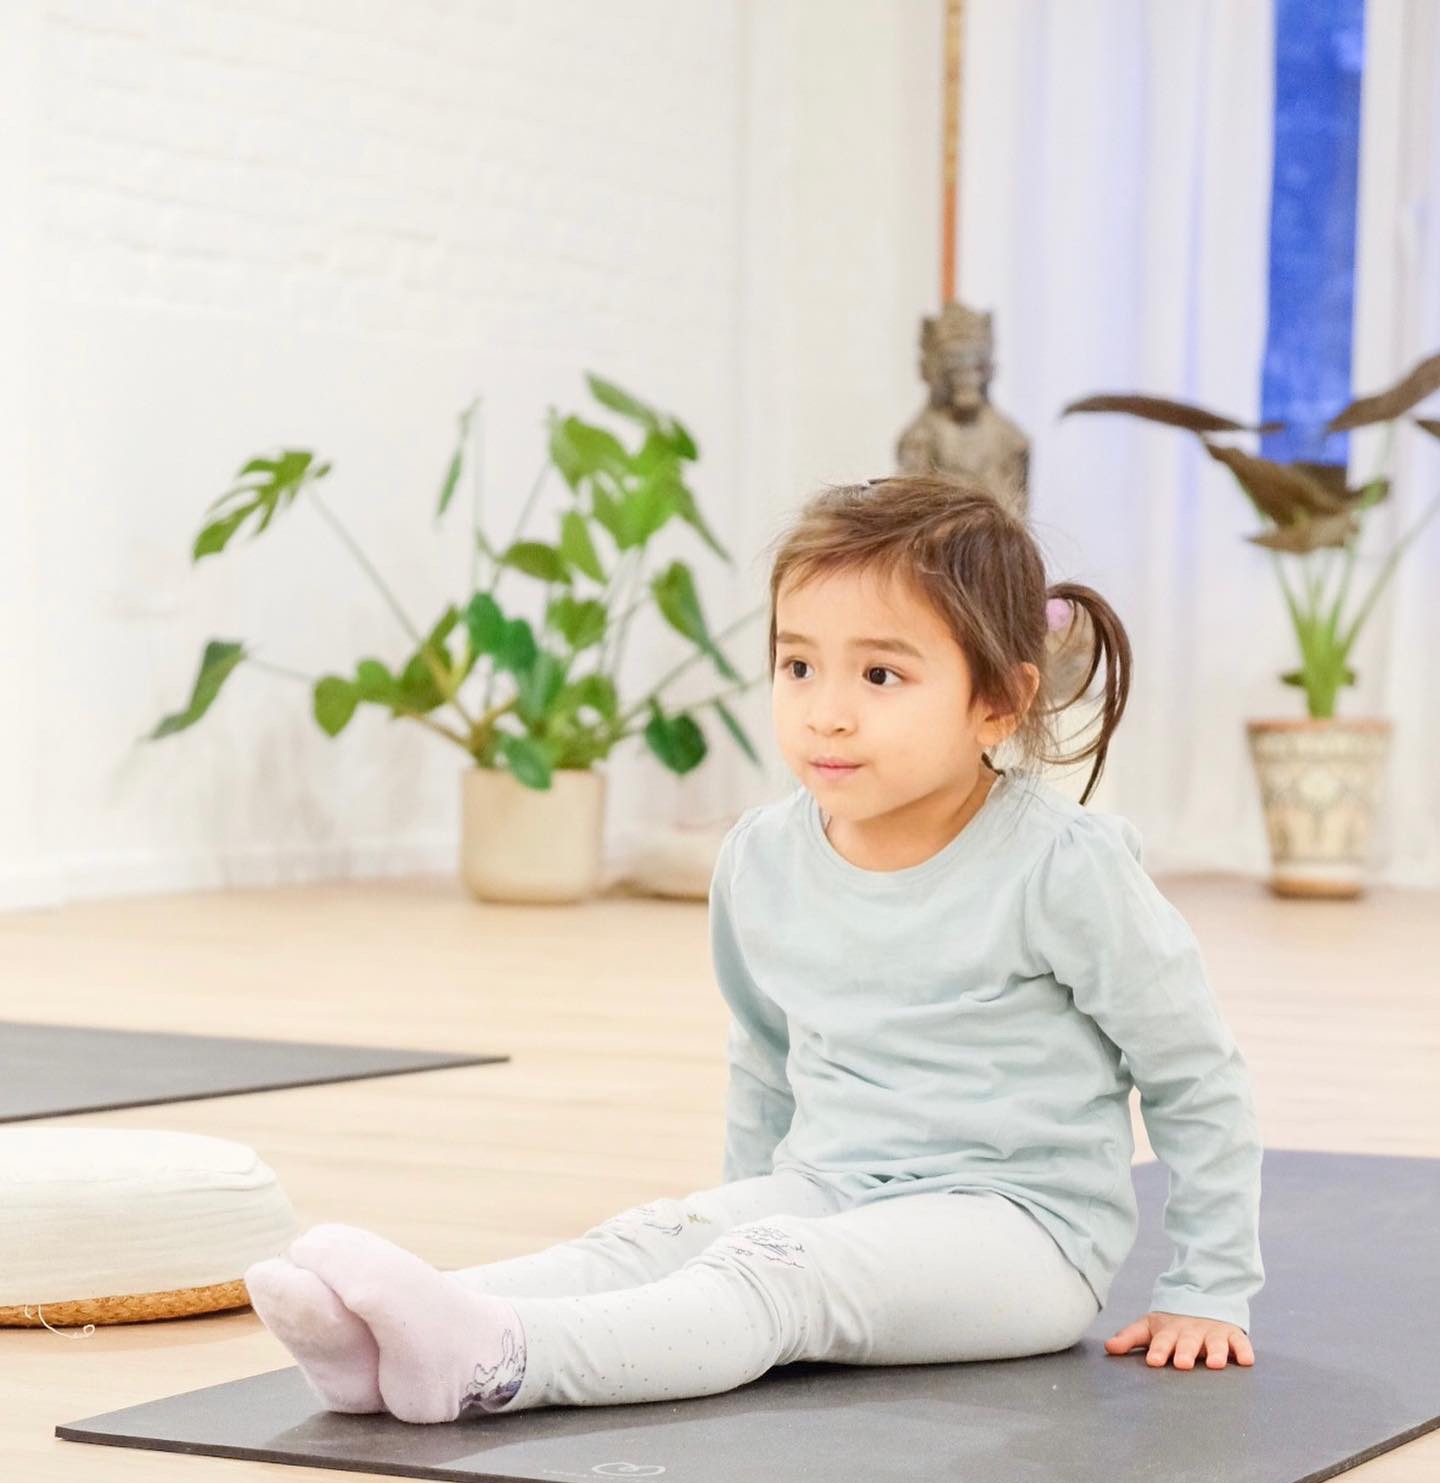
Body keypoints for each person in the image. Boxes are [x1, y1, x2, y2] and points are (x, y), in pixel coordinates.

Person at [244, 473, 1263, 1425]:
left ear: (997, 701)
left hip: (1024, 1237)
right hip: (830, 1187)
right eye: (797, 664)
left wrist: (1208, 1287)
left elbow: (1193, 1073)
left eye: (879, 673)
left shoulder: (1066, 868)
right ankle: (386, 1337)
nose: (826, 707)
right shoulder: (762, 859)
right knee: (658, 1237)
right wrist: (727, 1219)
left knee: (774, 1274)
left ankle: (502, 1360)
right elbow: (764, 1058)